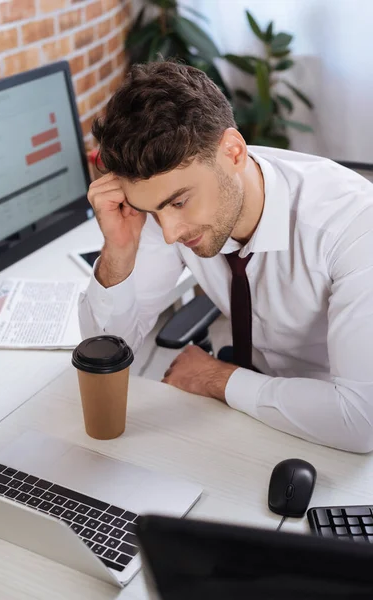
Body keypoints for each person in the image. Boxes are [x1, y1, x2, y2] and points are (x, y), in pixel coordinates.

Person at [79, 61, 373, 453]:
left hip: (326, 423)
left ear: (233, 152)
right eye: (153, 212)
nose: (169, 233)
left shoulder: (353, 227)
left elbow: (360, 421)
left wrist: (220, 379)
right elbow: (106, 353)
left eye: (180, 203)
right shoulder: (167, 198)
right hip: (244, 414)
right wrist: (118, 252)